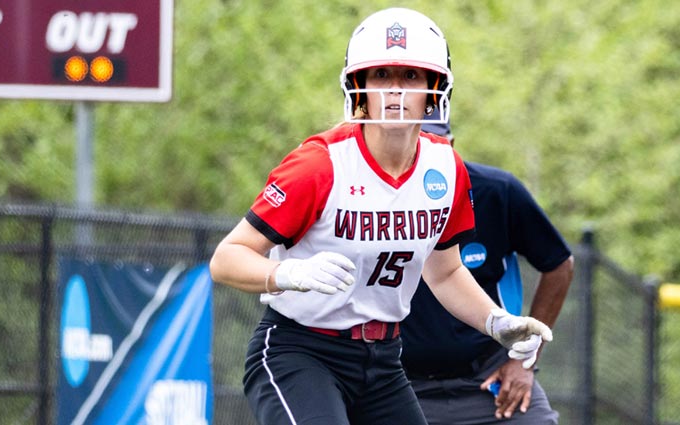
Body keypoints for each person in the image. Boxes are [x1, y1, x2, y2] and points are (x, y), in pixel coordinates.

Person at [209, 7, 553, 425]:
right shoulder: (320, 164)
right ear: (359, 85)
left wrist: (497, 322)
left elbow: (443, 273)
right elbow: (226, 259)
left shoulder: (445, 168)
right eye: (381, 75)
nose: (394, 91)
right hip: (301, 351)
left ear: (434, 88)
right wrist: (289, 275)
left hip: (384, 361)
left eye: (410, 76)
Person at [401, 112, 575, 423]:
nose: (422, 151)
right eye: (414, 142)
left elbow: (559, 265)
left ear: (451, 146)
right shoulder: (368, 203)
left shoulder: (497, 191)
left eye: (434, 142)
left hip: (489, 377)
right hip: (402, 384)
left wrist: (525, 362)